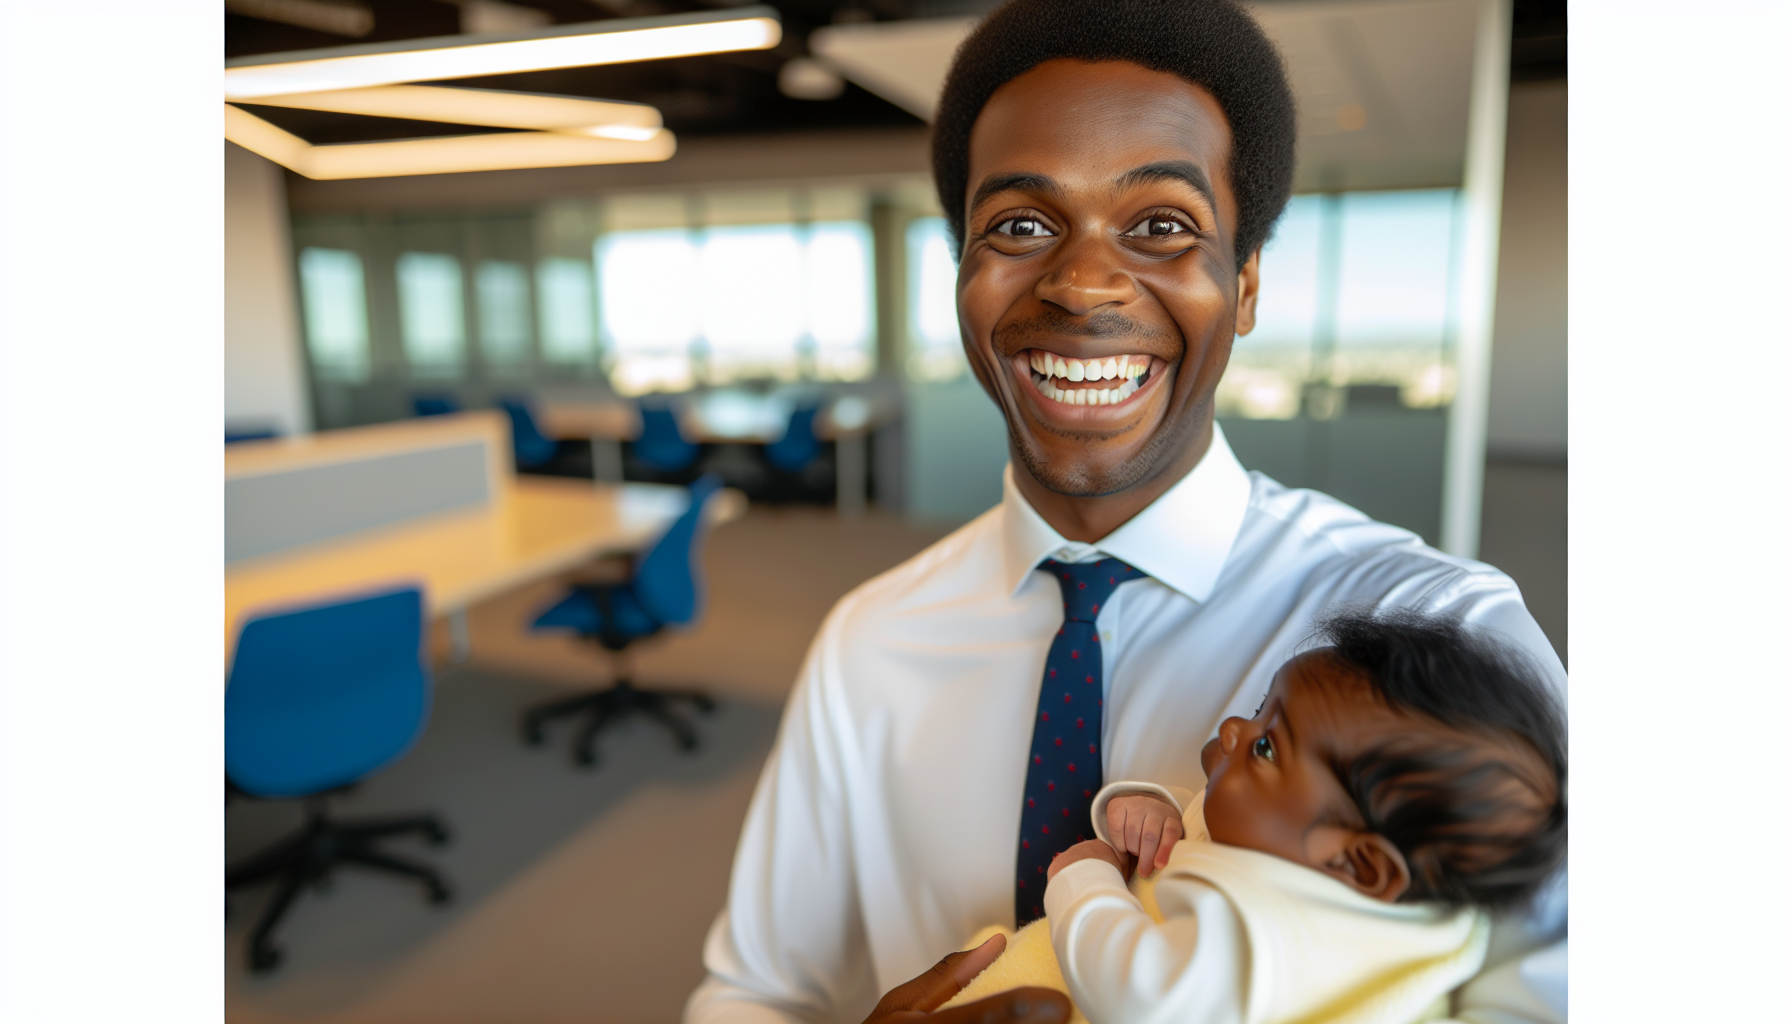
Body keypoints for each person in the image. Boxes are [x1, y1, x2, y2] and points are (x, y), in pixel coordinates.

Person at [685, 2, 1566, 1022]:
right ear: (962, 277)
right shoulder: (869, 640)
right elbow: (752, 990)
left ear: (1242, 288)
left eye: (1161, 225)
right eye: (1018, 224)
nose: (1083, 282)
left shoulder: (1440, 636)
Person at [939, 610, 1566, 1024]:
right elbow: (1220, 830)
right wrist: (1153, 813)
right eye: (1263, 706)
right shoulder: (1303, 856)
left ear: (1358, 861)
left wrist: (1084, 879)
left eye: (1267, 743)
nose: (1238, 725)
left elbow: (1146, 994)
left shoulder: (1284, 928)